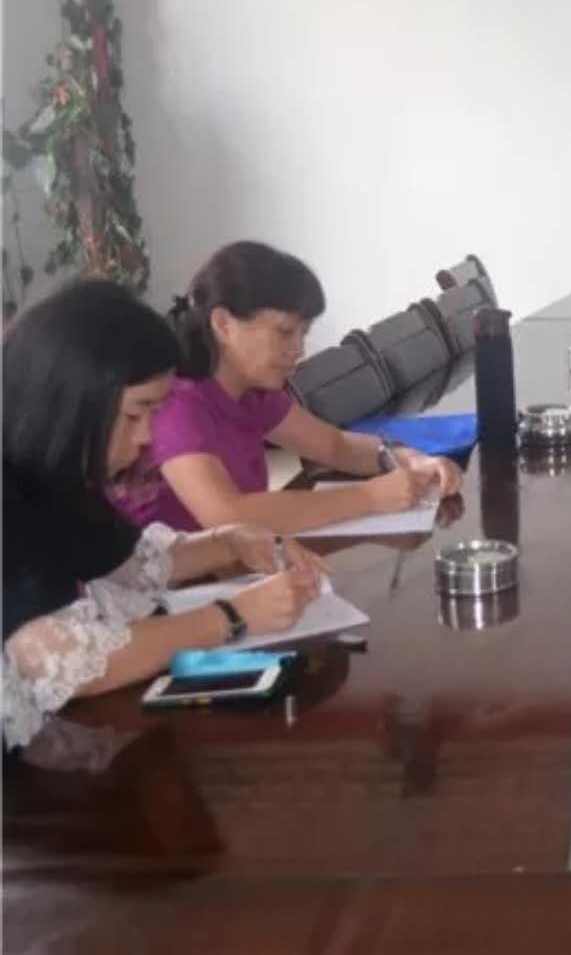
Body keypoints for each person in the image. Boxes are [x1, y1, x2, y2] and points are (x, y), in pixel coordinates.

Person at [3, 279, 325, 748]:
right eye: (136, 414)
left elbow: (124, 561)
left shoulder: (53, 473)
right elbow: (60, 660)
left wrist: (231, 543)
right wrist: (232, 617)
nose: (147, 437)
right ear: (70, 402)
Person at [119, 242, 463, 535]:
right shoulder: (176, 404)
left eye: (303, 333)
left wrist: (408, 458)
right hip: (166, 586)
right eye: (284, 332)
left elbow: (334, 445)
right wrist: (368, 498)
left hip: (233, 567)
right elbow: (226, 515)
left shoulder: (253, 391)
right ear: (223, 324)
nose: (298, 349)